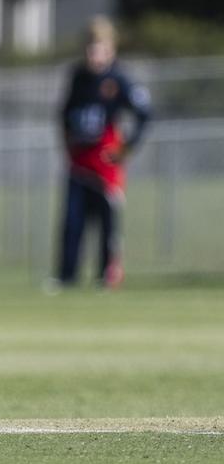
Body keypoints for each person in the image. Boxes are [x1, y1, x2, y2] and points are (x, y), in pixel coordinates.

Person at [54, 16, 151, 289]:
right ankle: (66, 276)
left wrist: (126, 148)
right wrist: (66, 146)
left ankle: (107, 275)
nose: (93, 54)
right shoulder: (78, 77)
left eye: (99, 48)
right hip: (79, 161)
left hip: (105, 163)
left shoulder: (119, 80)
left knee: (108, 224)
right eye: (89, 48)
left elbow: (144, 114)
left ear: (111, 50)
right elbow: (63, 116)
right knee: (72, 223)